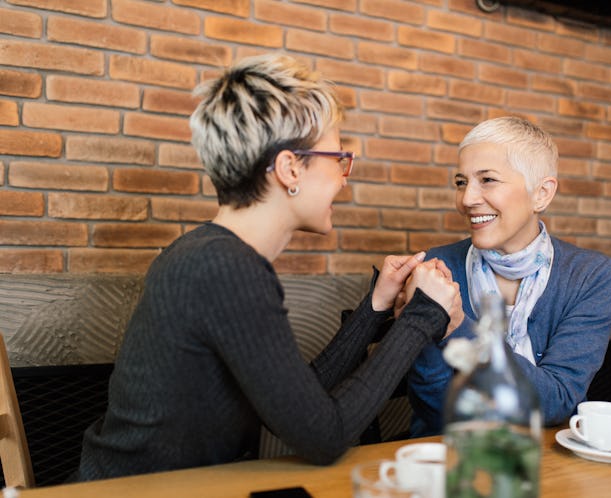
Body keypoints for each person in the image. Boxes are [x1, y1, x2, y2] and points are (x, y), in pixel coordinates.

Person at [75, 54, 461, 481]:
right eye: (339, 159)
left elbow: (301, 402)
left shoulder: (212, 254)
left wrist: (375, 306)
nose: (344, 179)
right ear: (290, 167)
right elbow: (324, 437)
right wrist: (425, 316)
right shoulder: (226, 268)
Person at [407, 116, 611, 437]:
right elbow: (436, 411)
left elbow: (558, 400)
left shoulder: (590, 276)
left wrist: (457, 326)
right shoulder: (437, 267)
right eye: (461, 181)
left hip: (550, 465)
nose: (467, 199)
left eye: (488, 180)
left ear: (542, 194)